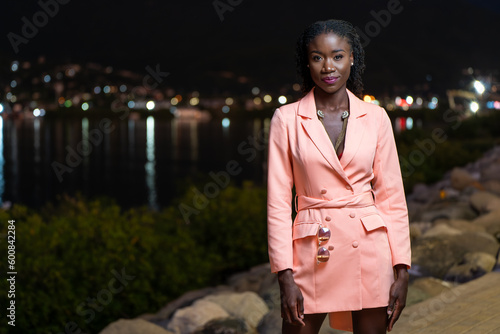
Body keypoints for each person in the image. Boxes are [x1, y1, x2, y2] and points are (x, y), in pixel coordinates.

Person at [267, 19, 411, 334]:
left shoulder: (376, 117)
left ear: (352, 58)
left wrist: (401, 270)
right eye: (317, 57)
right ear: (307, 63)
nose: (328, 66)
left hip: (370, 246)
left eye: (337, 56)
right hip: (313, 249)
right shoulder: (286, 119)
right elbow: (278, 203)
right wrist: (284, 275)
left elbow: (391, 197)